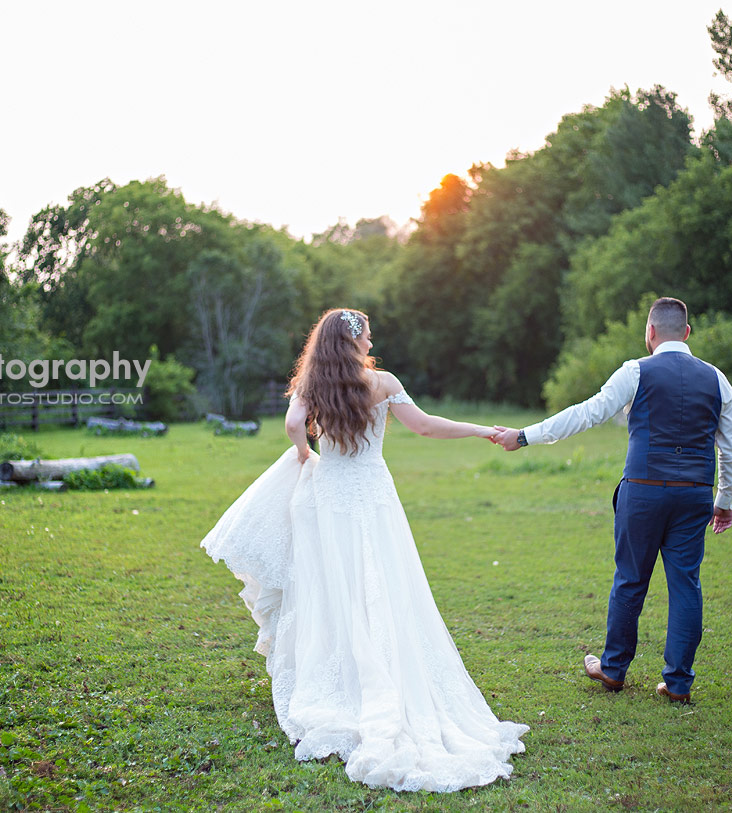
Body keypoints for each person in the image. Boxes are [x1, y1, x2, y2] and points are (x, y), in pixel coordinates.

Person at [201, 308, 528, 792]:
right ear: (355, 341)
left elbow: (294, 424)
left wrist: (304, 454)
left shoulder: (312, 384)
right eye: (368, 335)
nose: (372, 342)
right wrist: (482, 430)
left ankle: (338, 678)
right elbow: (427, 426)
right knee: (383, 580)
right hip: (372, 493)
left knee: (330, 586)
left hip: (326, 494)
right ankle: (382, 668)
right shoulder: (384, 383)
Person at [492, 297, 732, 704]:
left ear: (650, 333)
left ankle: (613, 670)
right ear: (688, 333)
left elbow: (587, 413)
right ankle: (677, 683)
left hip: (642, 491)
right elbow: (730, 451)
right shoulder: (718, 380)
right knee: (686, 585)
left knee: (630, 579)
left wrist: (524, 436)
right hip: (695, 494)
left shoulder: (636, 371)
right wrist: (724, 500)